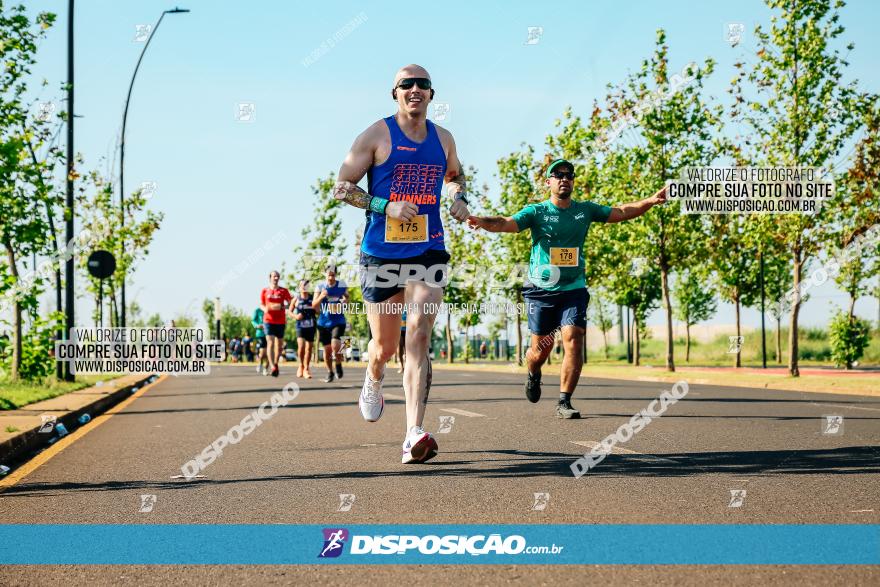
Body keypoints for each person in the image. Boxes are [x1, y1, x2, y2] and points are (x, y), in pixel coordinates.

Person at [333, 64, 470, 463]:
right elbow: (341, 186)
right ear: (394, 93)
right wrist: (385, 205)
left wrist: (459, 198)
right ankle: (374, 376)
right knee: (385, 345)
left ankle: (413, 433)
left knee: (419, 335)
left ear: (432, 93)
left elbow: (456, 176)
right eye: (406, 84)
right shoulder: (376, 134)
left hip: (428, 248)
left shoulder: (443, 138)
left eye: (422, 85)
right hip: (382, 253)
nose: (415, 90)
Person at [468, 158, 666, 418]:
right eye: (558, 175)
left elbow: (622, 211)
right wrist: (481, 220)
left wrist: (650, 201)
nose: (564, 179)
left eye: (569, 175)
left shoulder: (585, 210)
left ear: (573, 181)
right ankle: (533, 372)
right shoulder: (536, 212)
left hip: (573, 288)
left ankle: (564, 402)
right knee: (540, 352)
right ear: (548, 182)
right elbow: (506, 223)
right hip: (541, 290)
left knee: (573, 340)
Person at [313, 265, 348, 383]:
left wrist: (345, 301)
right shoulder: (320, 287)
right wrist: (321, 296)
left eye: (333, 275)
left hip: (338, 321)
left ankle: (338, 364)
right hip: (323, 322)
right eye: (328, 275)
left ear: (335, 275)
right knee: (327, 350)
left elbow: (347, 298)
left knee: (336, 345)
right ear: (325, 274)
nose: (330, 277)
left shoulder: (341, 285)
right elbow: (314, 305)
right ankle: (330, 372)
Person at [260, 270, 292, 378]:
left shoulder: (283, 291)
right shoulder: (265, 291)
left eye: (277, 276)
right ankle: (273, 366)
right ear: (270, 278)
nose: (276, 278)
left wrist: (283, 307)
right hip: (268, 320)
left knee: (279, 346)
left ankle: (276, 363)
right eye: (274, 276)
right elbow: (261, 304)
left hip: (280, 321)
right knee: (270, 343)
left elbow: (291, 303)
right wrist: (265, 309)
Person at [292, 279, 317, 379]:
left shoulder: (312, 298)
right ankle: (301, 366)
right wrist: (295, 316)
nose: (304, 287)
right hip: (300, 326)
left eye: (306, 285)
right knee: (301, 346)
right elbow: (289, 311)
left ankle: (306, 368)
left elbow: (318, 311)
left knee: (309, 348)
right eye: (302, 285)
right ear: (299, 287)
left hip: (311, 325)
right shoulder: (296, 299)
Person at [252, 306, 269, 375]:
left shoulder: (271, 308)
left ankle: (266, 369)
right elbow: (253, 320)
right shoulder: (257, 310)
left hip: (270, 332)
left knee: (269, 353)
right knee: (262, 353)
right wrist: (257, 325)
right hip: (261, 333)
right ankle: (260, 364)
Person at [397, 309, 407, 374]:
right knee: (400, 347)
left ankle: (407, 367)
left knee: (407, 349)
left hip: (408, 329)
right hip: (399, 330)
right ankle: (401, 366)